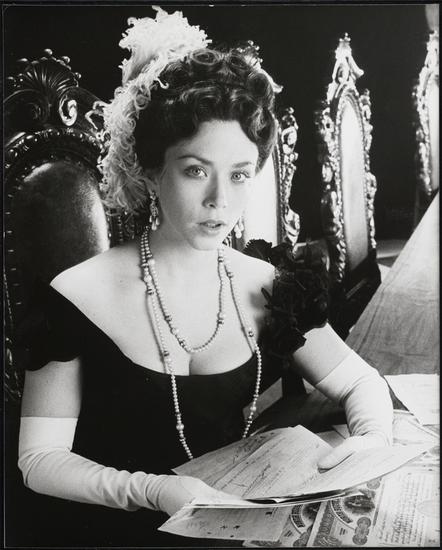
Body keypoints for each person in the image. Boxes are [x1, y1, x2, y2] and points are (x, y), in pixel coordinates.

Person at [17, 6, 393, 547]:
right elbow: (38, 460)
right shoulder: (75, 297)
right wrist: (150, 490)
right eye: (196, 171)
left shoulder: (268, 285)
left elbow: (360, 382)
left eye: (239, 175)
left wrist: (372, 438)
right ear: (151, 170)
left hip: (233, 524)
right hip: (104, 529)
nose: (220, 201)